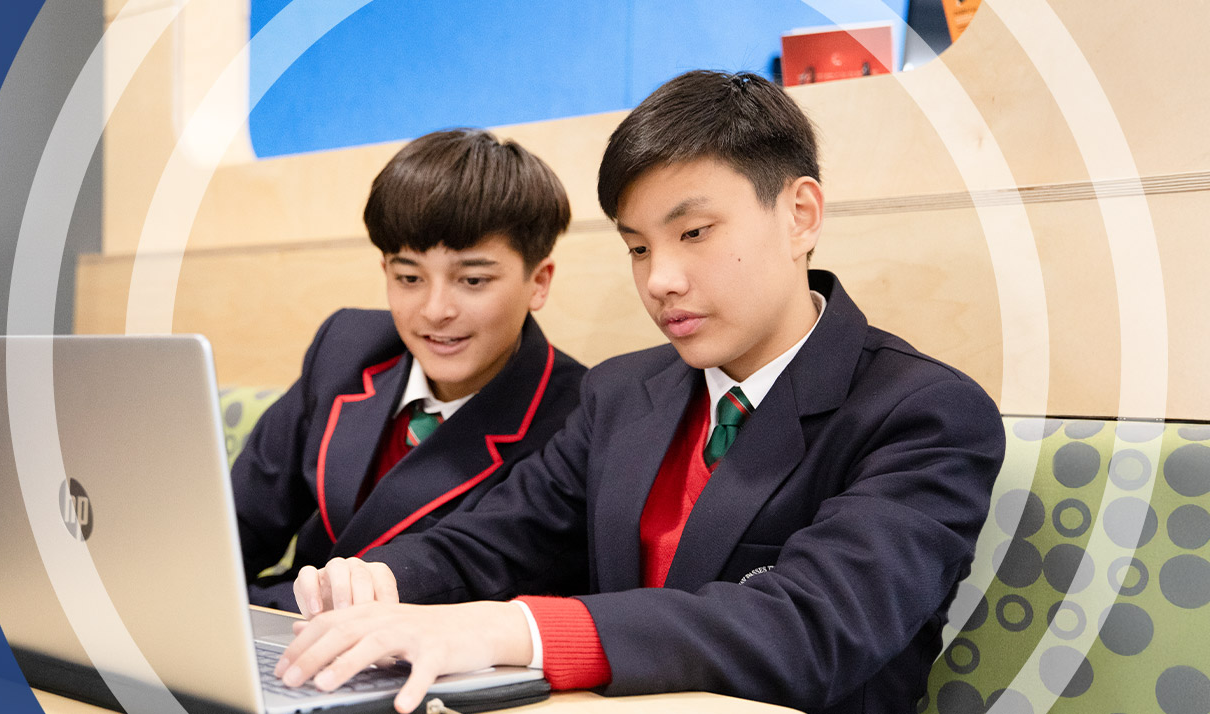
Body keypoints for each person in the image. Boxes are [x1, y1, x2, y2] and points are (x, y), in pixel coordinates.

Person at [272, 71, 1004, 714]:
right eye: (639, 247)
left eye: (693, 233)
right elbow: (500, 538)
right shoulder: (623, 391)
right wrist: (374, 581)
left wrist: (510, 630)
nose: (660, 280)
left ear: (800, 216)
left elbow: (811, 629)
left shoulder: (923, 412)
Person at [233, 128, 590, 612]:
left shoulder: (577, 417)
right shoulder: (346, 348)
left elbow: (473, 583)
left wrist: (247, 605)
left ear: (538, 282)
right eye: (408, 278)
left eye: (472, 280)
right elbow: (235, 527)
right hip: (282, 632)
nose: (434, 310)